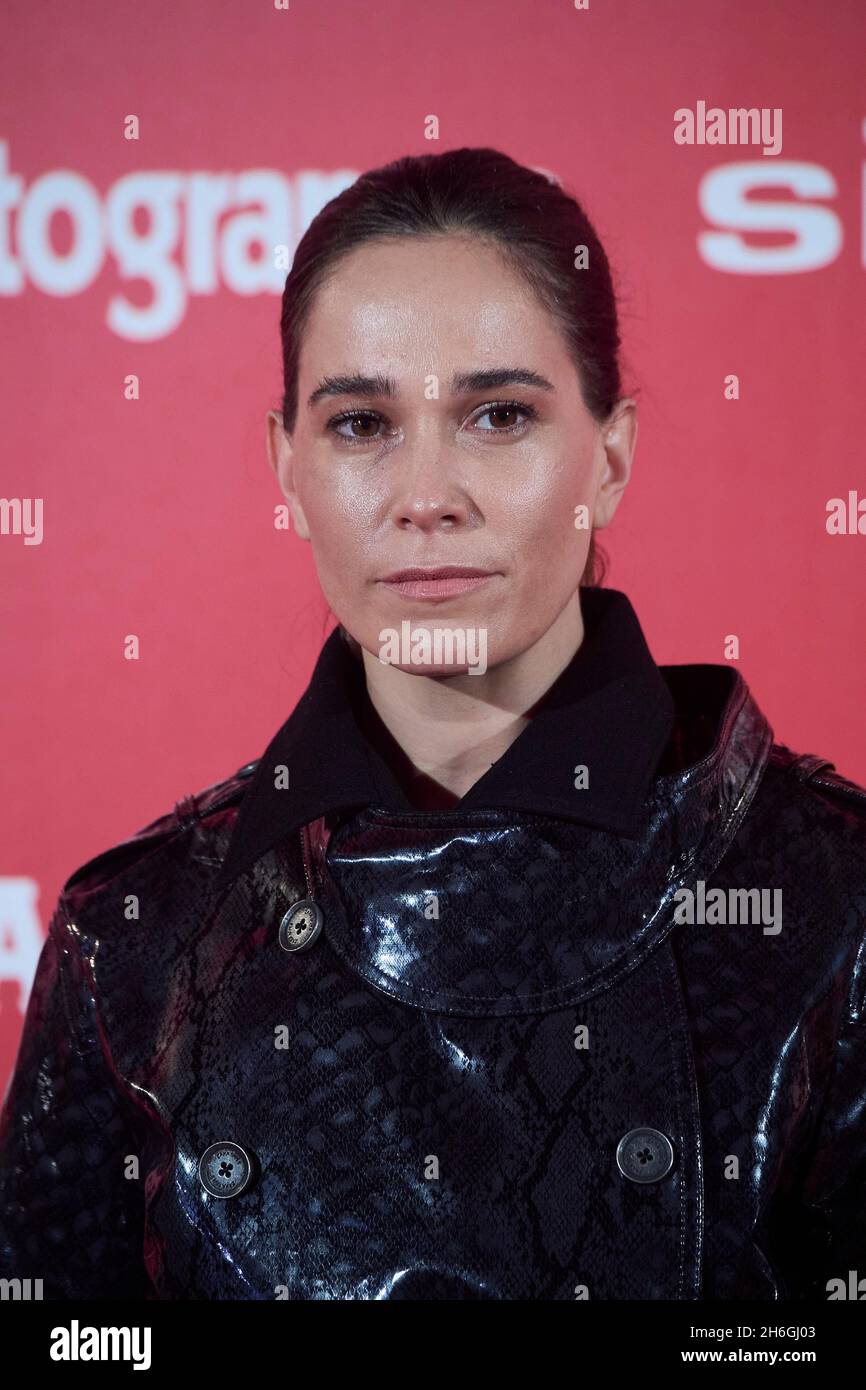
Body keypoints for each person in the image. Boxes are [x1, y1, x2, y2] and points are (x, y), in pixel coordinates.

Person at [1, 147, 864, 1301]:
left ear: (607, 458)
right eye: (360, 424)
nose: (424, 494)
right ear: (287, 468)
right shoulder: (137, 941)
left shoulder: (832, 904)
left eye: (496, 414)